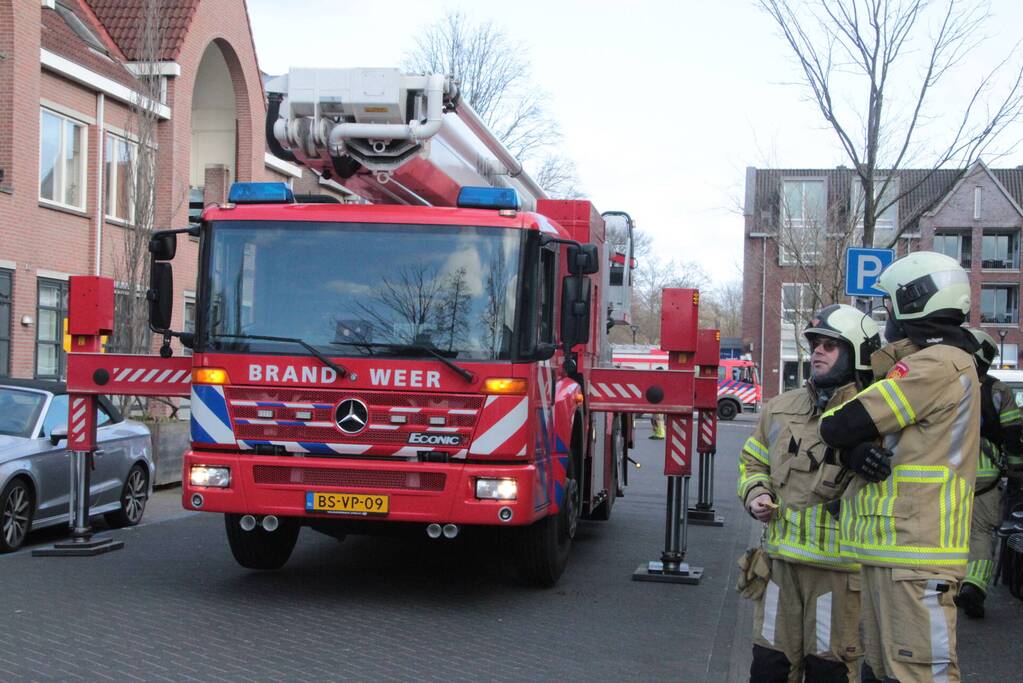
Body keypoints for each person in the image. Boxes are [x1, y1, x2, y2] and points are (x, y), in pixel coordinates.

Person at [818, 251, 979, 683]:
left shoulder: (936, 366)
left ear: (915, 303)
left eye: (889, 305)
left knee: (918, 674)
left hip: (916, 555)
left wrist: (846, 441)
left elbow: (840, 423)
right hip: (894, 551)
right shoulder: (935, 363)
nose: (886, 316)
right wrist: (854, 452)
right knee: (885, 671)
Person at [738, 304, 881, 682]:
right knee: (769, 669)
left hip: (837, 575)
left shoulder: (879, 415)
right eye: (815, 343)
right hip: (779, 569)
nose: (817, 351)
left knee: (828, 672)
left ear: (856, 354)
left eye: (829, 345)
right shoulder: (780, 409)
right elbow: (752, 464)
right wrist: (755, 493)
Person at [956, 329, 1023, 618]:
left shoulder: (946, 385)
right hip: (986, 478)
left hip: (945, 474)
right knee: (980, 534)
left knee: (949, 533)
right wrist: (1017, 472)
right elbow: (1013, 436)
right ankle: (974, 586)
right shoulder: (999, 392)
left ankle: (948, 585)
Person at [650, 367, 666, 439]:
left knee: (658, 418)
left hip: (659, 402)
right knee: (654, 418)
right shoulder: (659, 380)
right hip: (656, 402)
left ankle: (661, 433)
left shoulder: (661, 381)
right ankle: (656, 432)